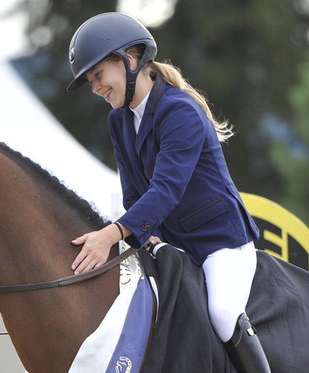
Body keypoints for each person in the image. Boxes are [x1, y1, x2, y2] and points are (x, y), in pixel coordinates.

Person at [66, 12, 271, 373]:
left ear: (128, 60)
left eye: (97, 76)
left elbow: (166, 190)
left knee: (223, 314)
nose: (96, 88)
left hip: (219, 241)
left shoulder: (180, 111)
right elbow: (133, 191)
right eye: (90, 81)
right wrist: (149, 237)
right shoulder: (119, 118)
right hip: (171, 244)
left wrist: (110, 235)